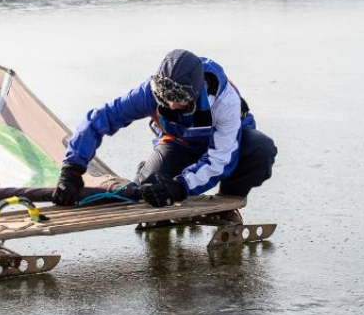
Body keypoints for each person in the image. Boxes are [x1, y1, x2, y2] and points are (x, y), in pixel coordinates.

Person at [51, 49, 277, 208]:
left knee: (262, 149)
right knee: (148, 189)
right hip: (178, 144)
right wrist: (71, 170)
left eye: (177, 99)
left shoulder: (225, 101)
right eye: (164, 97)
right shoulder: (149, 92)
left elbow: (220, 160)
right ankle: (149, 171)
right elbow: (99, 119)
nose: (170, 104)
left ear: (196, 92)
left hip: (230, 146)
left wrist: (180, 187)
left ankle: (227, 203)